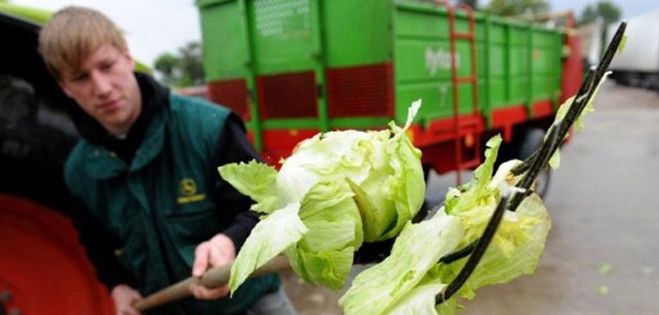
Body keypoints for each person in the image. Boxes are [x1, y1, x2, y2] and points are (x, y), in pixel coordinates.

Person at [38, 6, 296, 315]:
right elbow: (96, 243)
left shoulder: (208, 128)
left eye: (107, 66)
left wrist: (230, 242)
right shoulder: (79, 172)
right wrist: (117, 284)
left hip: (249, 304)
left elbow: (270, 206)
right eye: (81, 78)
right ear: (65, 88)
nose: (102, 88)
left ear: (127, 56)